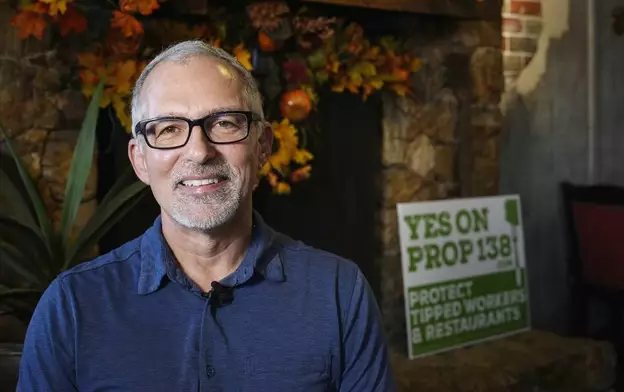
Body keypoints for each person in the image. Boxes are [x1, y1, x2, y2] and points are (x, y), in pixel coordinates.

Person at [17, 40, 396, 392]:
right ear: (139, 160)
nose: (199, 151)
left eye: (224, 123)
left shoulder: (338, 293)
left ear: (262, 147)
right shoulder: (72, 306)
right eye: (168, 129)